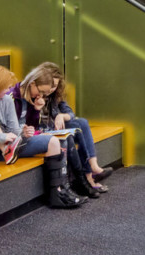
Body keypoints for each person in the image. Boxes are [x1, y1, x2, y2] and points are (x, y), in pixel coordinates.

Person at [0, 65, 81, 209]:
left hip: (12, 148)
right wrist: (0, 138)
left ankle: (57, 194)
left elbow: (14, 132)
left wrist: (23, 131)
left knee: (53, 142)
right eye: (4, 87)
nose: (7, 90)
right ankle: (6, 150)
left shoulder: (7, 100)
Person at [10, 62, 106, 198]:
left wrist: (59, 115)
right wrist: (37, 111)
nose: (49, 91)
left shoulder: (47, 95)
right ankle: (83, 181)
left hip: (48, 129)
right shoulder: (18, 97)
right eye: (47, 88)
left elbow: (68, 113)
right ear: (34, 83)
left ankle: (88, 175)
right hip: (41, 131)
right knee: (70, 137)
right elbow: (27, 125)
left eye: (53, 86)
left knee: (81, 125)